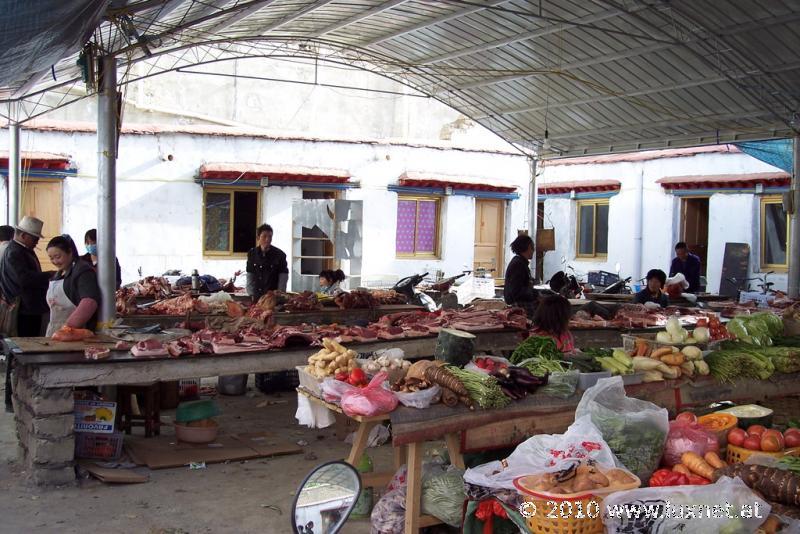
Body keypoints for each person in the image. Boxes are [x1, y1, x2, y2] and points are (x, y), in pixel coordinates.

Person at [0, 216, 51, 336]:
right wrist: (48, 275)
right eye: (34, 239)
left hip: (30, 308)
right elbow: (23, 279)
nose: (37, 242)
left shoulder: (24, 249)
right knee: (26, 342)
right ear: (23, 236)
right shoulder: (15, 252)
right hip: (23, 310)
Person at [45, 235, 101, 336]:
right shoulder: (59, 274)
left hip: (75, 332)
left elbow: (89, 302)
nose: (55, 261)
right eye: (51, 258)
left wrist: (67, 328)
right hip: (55, 330)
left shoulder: (83, 271)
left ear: (70, 252)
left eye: (58, 257)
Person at [246, 224, 288, 301]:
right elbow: (250, 275)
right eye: (264, 236)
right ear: (258, 238)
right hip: (256, 296)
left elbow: (283, 277)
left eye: (270, 236)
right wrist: (251, 294)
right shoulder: (252, 253)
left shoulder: (280, 255)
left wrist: (280, 294)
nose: (267, 239)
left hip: (273, 297)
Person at [503, 235, 539, 317]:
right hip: (519, 305)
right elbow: (516, 291)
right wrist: (536, 294)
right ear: (526, 247)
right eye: (532, 248)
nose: (533, 251)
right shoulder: (518, 264)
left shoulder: (521, 262)